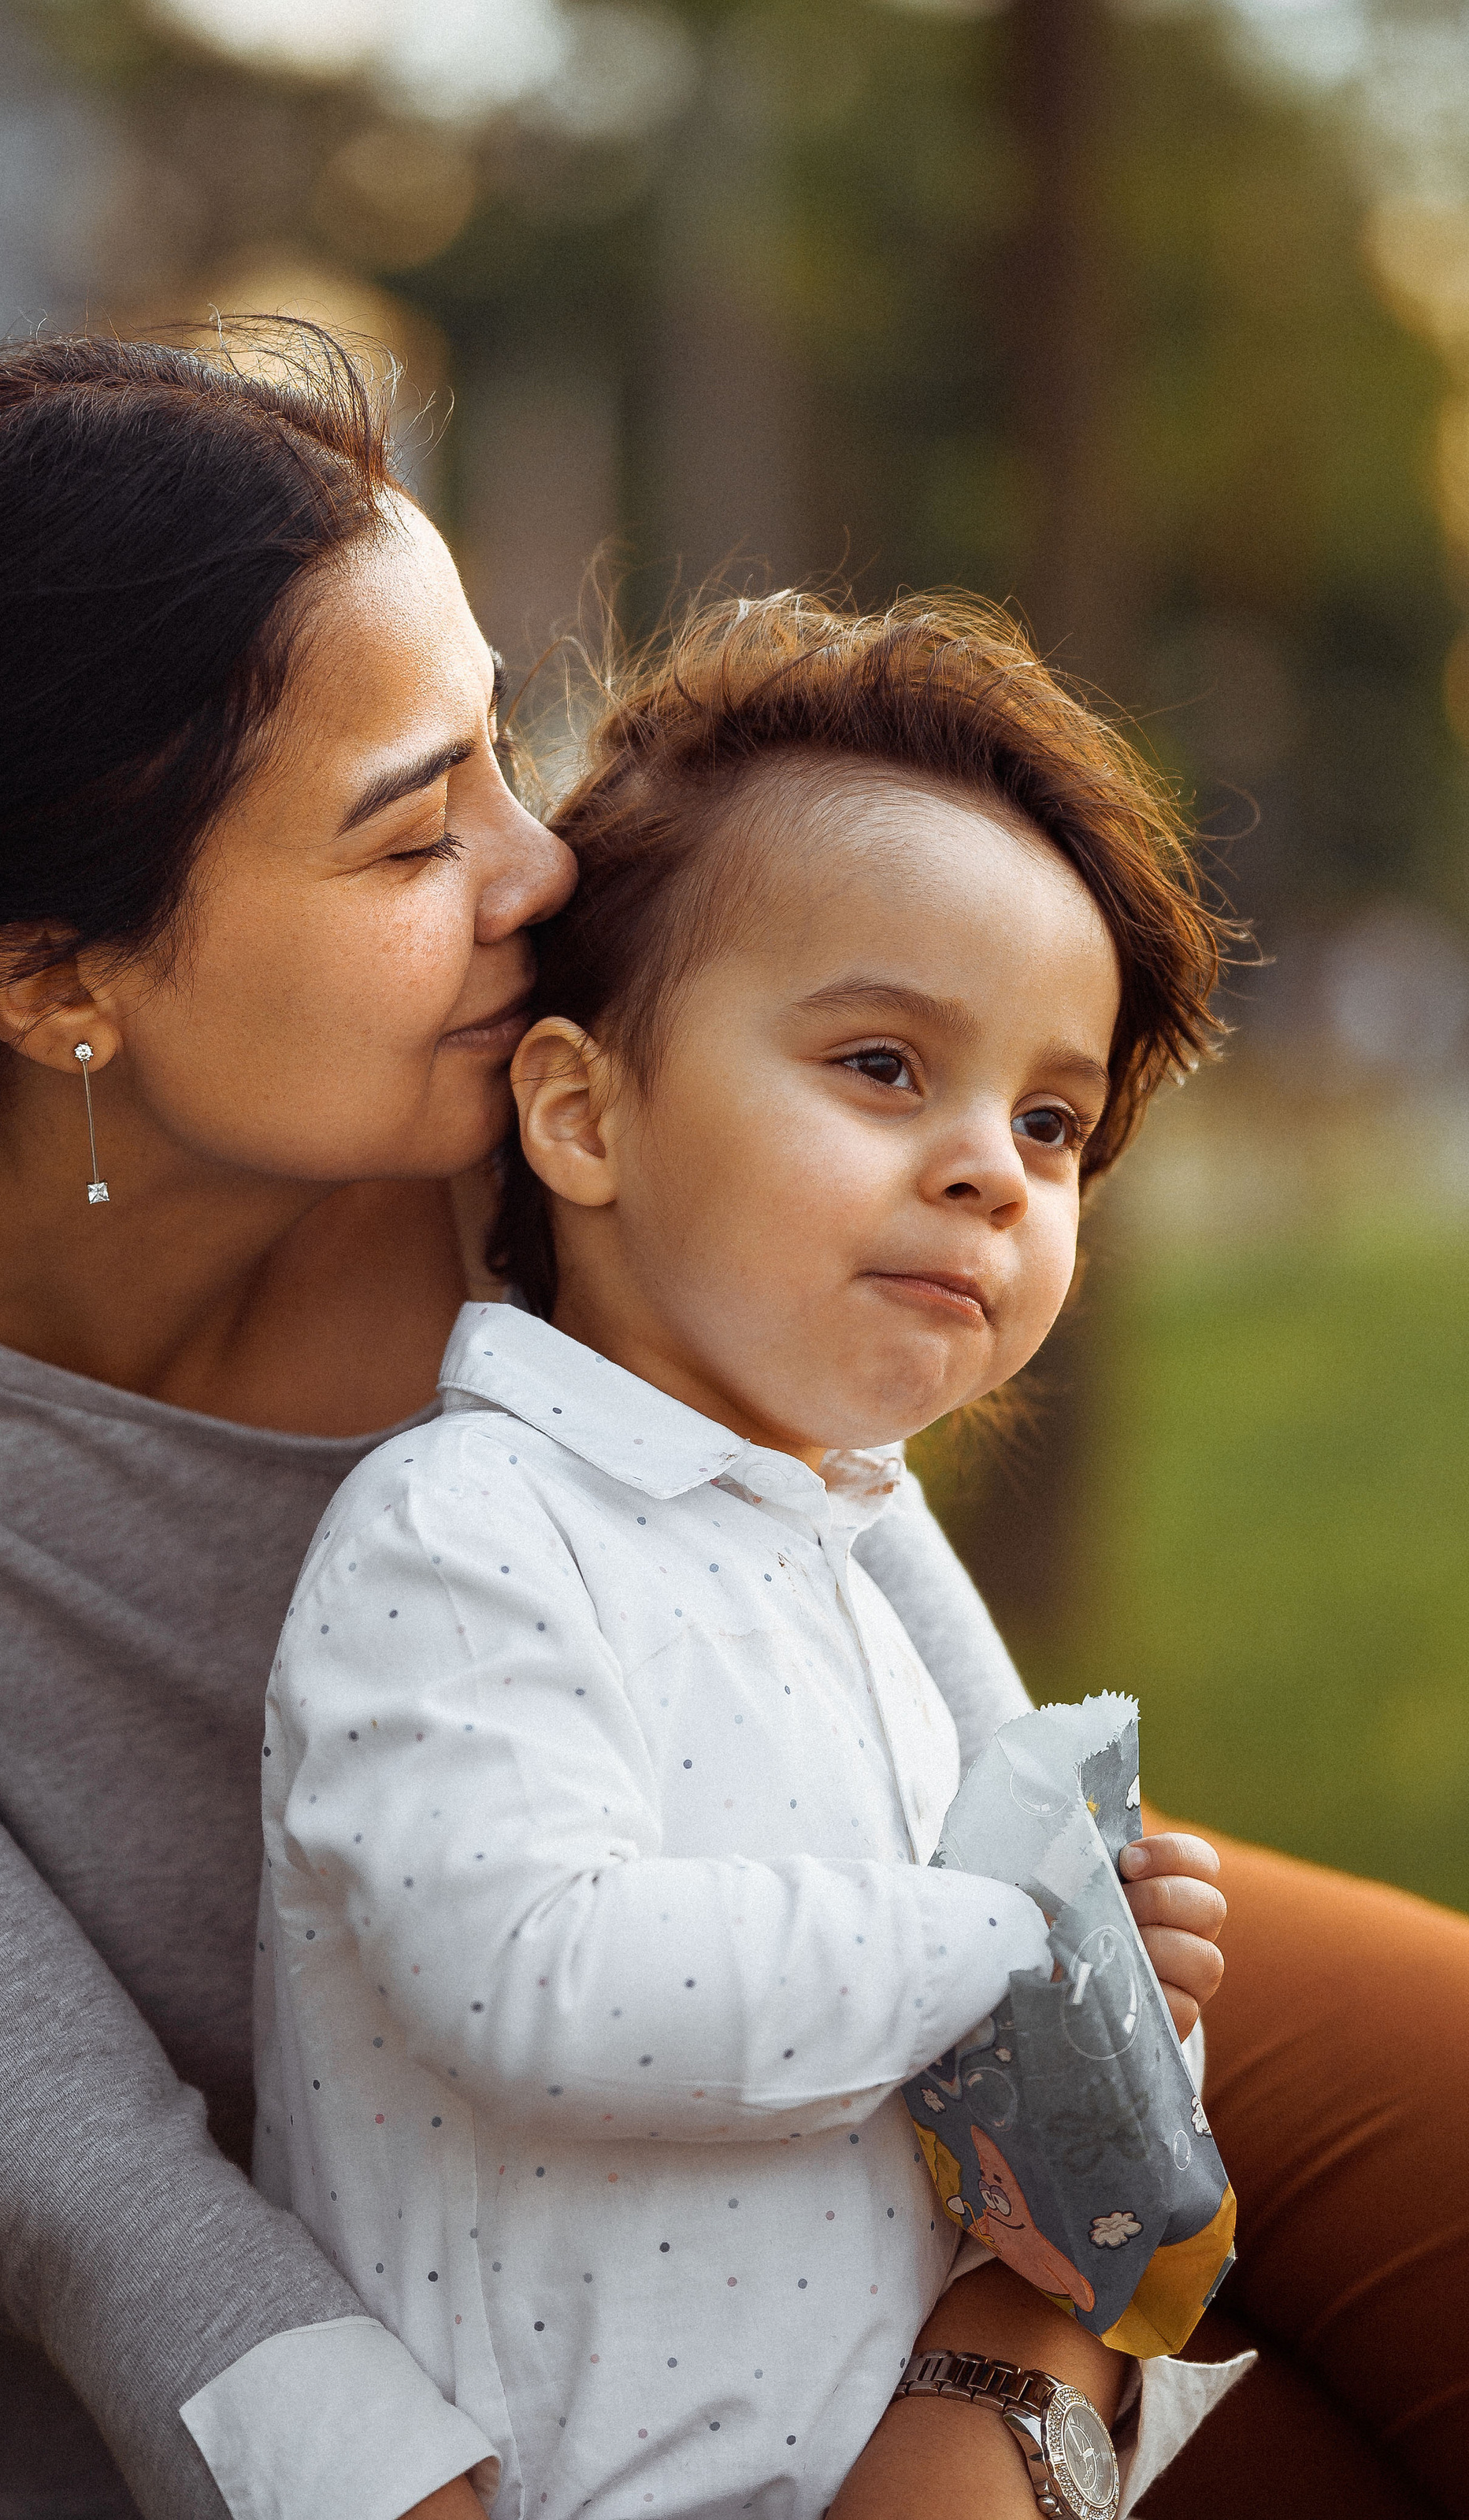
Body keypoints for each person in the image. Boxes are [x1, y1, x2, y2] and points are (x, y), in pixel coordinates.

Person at [0, 329, 1457, 2520]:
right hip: (497, 2376)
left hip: (894, 2110)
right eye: (419, 831)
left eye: (503, 747)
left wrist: (1013, 2353)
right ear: (54, 980)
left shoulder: (529, 1121)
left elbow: (988, 1807)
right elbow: (77, 2185)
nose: (540, 869)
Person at [253, 592, 1239, 2520]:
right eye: (882, 1065)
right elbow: (535, 1975)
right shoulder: (467, 1531)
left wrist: (1119, 1981)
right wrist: (1004, 1937)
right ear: (578, 1110)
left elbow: (927, 2066)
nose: (989, 1167)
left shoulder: (832, 1549)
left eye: (1049, 1120)